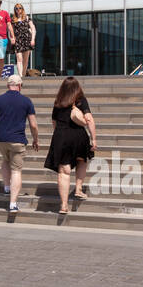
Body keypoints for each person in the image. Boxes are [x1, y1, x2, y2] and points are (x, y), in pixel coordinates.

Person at [0, 74, 39, 213]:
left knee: (6, 159)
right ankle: (12, 203)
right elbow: (33, 125)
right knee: (16, 170)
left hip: (1, 139)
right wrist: (35, 139)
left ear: (7, 85)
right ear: (20, 86)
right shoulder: (26, 101)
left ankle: (7, 187)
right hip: (17, 140)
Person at [44, 76, 97, 211]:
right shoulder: (80, 100)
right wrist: (94, 139)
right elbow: (89, 119)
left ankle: (64, 205)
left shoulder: (58, 102)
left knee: (64, 171)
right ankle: (78, 189)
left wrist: (60, 135)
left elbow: (54, 122)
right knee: (82, 159)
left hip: (61, 136)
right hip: (78, 136)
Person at [8, 4, 36, 78]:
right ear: (15, 10)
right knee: (19, 59)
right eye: (16, 8)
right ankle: (20, 75)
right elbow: (11, 31)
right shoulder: (13, 19)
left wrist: (33, 39)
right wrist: (12, 38)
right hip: (18, 41)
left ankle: (23, 75)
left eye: (20, 8)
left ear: (22, 9)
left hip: (27, 40)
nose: (18, 10)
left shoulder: (27, 18)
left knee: (25, 60)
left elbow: (33, 28)